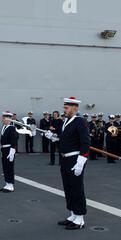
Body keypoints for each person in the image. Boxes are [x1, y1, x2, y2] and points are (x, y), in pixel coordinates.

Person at [45, 97, 90, 230]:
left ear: (75, 108)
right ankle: (73, 214)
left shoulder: (80, 122)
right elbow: (65, 140)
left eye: (66, 107)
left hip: (75, 159)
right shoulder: (66, 122)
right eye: (64, 107)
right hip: (64, 159)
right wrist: (53, 137)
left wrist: (81, 162)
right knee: (68, 188)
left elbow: (86, 143)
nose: (64, 110)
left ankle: (80, 218)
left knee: (77, 188)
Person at [0, 111, 18, 193]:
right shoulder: (4, 127)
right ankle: (7, 183)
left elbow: (14, 140)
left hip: (9, 149)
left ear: (9, 119)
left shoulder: (12, 128)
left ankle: (11, 185)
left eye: (4, 118)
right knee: (5, 167)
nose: (2, 119)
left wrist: (12, 150)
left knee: (9, 167)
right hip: (4, 149)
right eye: (3, 118)